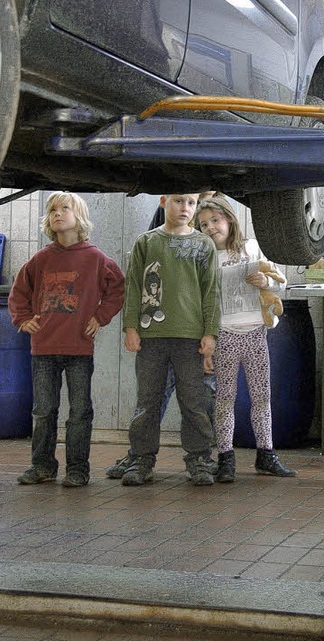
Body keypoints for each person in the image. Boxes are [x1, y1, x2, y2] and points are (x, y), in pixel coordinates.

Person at [8, 191, 125, 487]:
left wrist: (100, 317)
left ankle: (78, 468)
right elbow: (19, 291)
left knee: (80, 411)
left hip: (78, 349)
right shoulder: (40, 259)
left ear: (79, 216)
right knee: (44, 411)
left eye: (64, 209)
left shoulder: (96, 259)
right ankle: (42, 466)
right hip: (43, 349)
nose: (57, 214)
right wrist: (22, 319)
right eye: (52, 211)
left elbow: (117, 289)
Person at [105, 193, 217, 480]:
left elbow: (211, 293)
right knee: (148, 401)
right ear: (164, 201)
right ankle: (141, 460)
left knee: (194, 402)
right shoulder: (146, 242)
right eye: (179, 201)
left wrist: (210, 333)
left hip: (190, 338)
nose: (185, 208)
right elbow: (132, 286)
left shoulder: (204, 245)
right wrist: (131, 326)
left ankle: (199, 459)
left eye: (191, 203)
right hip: (151, 337)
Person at [195, 195, 296, 481]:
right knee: (224, 398)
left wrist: (266, 282)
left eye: (215, 220)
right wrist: (207, 344)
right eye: (204, 224)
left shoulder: (252, 248)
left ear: (229, 219)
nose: (211, 227)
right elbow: (202, 303)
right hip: (225, 334)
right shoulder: (205, 259)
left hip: (255, 332)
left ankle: (266, 453)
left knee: (261, 397)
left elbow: (280, 280)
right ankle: (225, 457)